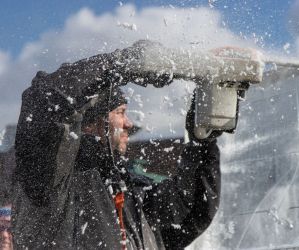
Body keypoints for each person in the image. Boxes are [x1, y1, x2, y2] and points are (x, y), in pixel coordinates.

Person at [11, 40, 223, 249]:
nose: (129, 124)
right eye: (120, 112)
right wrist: (123, 62)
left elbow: (190, 213)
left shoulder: (124, 186)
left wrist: (203, 137)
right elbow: (45, 98)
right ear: (91, 124)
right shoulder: (50, 182)